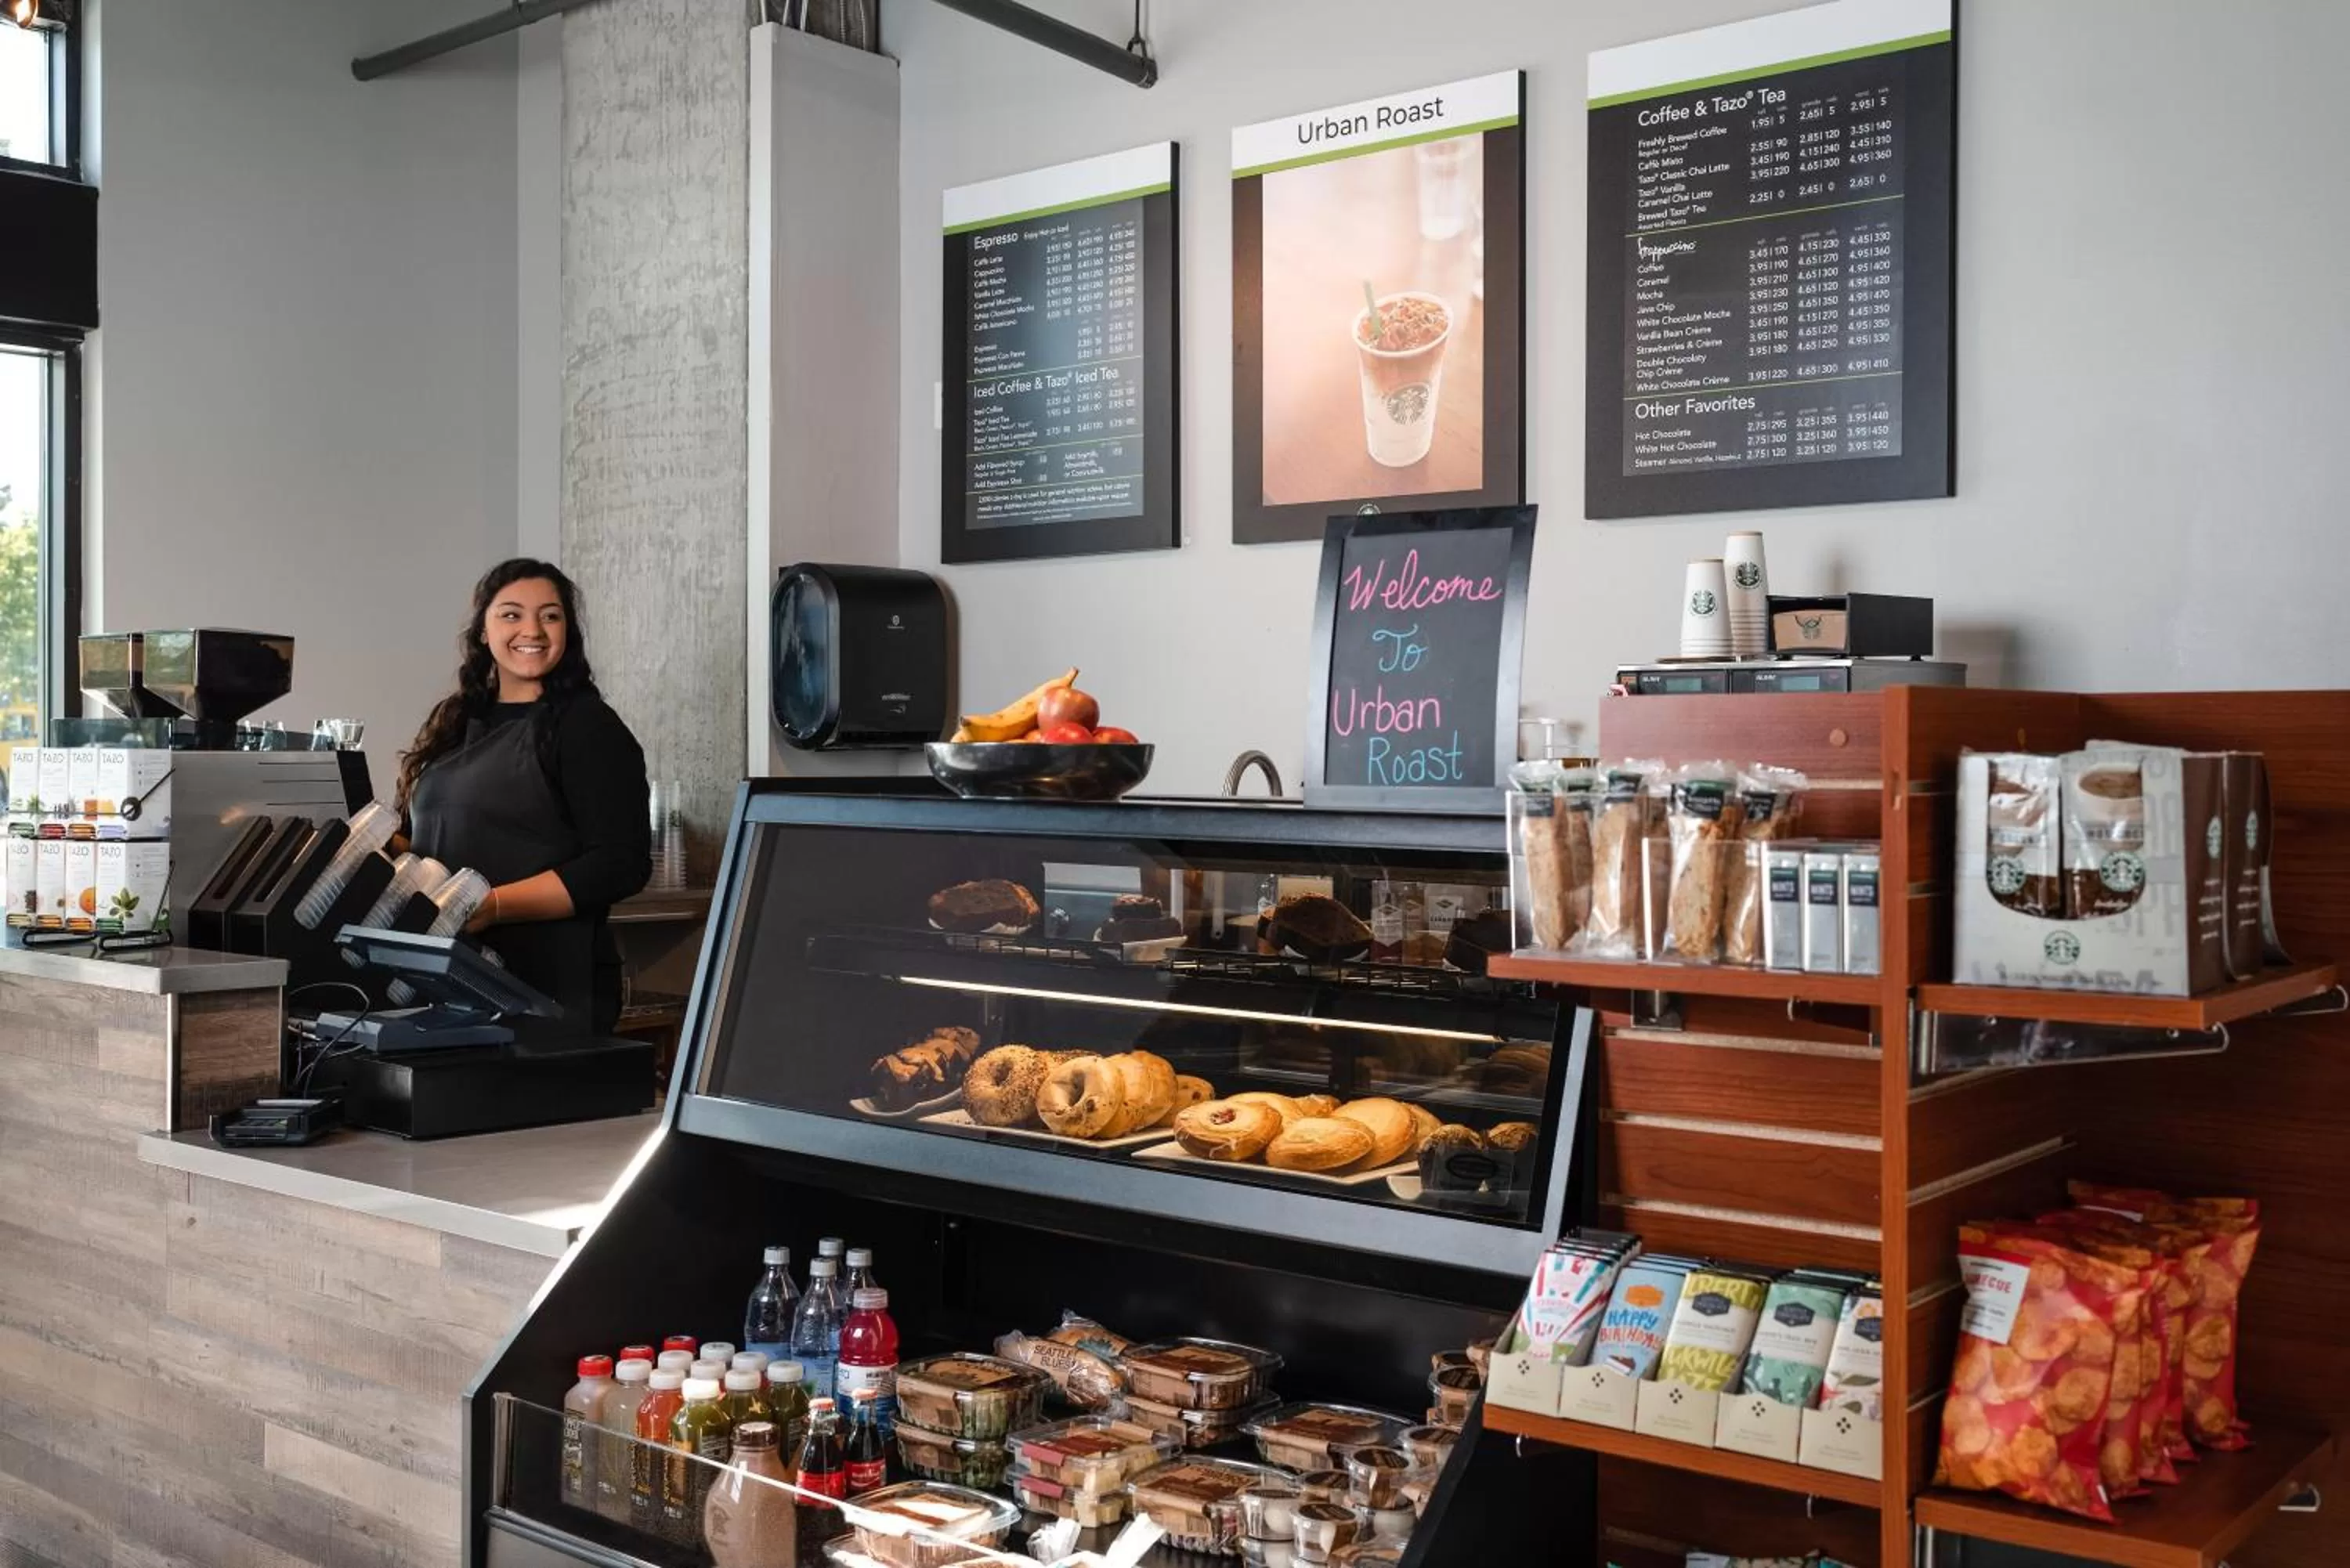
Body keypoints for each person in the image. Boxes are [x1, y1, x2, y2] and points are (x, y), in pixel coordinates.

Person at [396, 559, 651, 1035]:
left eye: (550, 616)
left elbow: (620, 863)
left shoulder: (588, 727)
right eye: (511, 614)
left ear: (567, 631)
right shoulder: (455, 722)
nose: (532, 630)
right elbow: (420, 842)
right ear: (483, 631)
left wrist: (492, 905)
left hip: (549, 988)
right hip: (446, 976)